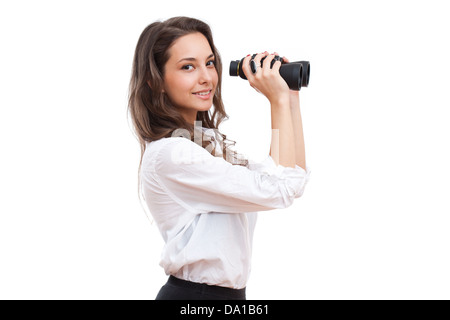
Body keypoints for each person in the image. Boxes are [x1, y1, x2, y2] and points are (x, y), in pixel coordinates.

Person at [128, 16, 310, 300]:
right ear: (156, 82)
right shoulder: (172, 153)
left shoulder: (203, 141)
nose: (206, 77)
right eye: (188, 66)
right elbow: (282, 187)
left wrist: (290, 96)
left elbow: (283, 175)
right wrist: (278, 102)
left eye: (209, 63)